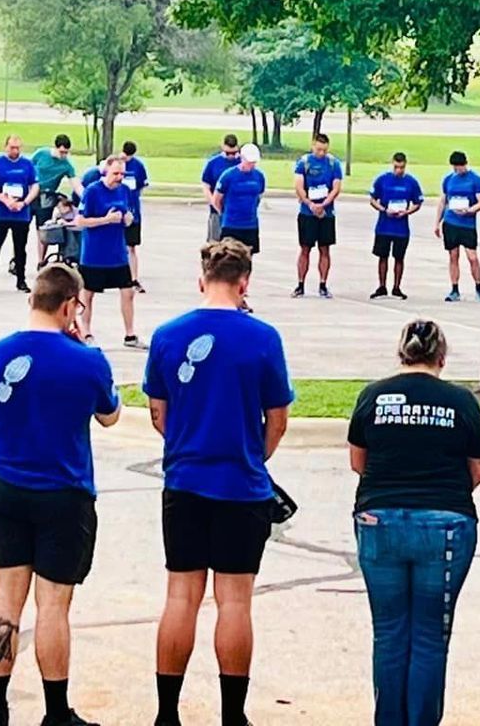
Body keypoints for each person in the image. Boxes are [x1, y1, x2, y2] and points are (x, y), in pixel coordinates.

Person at [0, 264, 122, 726]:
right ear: (71, 306)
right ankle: (56, 712)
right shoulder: (87, 360)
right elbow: (110, 416)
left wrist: (2, 471)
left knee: (4, 599)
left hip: (8, 490)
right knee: (53, 603)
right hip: (64, 492)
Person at [145, 242, 292, 726]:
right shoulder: (263, 338)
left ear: (201, 278)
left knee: (180, 596)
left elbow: (158, 413)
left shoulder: (168, 336)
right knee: (234, 600)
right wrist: (254, 452)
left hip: (185, 479)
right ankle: (232, 714)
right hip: (241, 484)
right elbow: (277, 419)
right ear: (245, 282)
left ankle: (168, 712)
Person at [348, 320, 480, 726]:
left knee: (389, 631)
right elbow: (478, 468)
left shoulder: (373, 396)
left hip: (380, 516)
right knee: (430, 634)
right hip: (445, 519)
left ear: (401, 353)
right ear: (441, 358)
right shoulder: (460, 401)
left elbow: (359, 461)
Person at [73, 155, 141, 347]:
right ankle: (85, 332)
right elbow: (80, 221)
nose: (119, 177)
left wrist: (127, 218)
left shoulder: (125, 191)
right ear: (105, 172)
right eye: (115, 173)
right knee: (88, 294)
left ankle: (130, 334)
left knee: (127, 292)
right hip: (94, 254)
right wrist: (105, 220)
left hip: (117, 253)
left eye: (122, 173)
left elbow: (129, 216)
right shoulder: (93, 191)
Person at [0, 135, 38, 295]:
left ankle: (21, 280)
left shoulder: (27, 164)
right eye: (12, 147)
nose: (15, 151)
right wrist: (3, 200)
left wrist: (24, 203)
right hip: (1, 213)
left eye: (18, 148)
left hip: (20, 214)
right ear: (5, 147)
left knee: (20, 248)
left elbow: (34, 185)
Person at [293, 133, 344, 300]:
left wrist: (324, 204)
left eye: (324, 150)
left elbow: (336, 188)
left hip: (326, 213)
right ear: (313, 146)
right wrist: (310, 204)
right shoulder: (304, 163)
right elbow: (299, 186)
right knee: (305, 249)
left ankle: (323, 283)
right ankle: (300, 284)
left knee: (325, 249)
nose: (321, 153)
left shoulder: (333, 163)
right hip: (307, 212)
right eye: (319, 149)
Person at [213, 146, 268, 300]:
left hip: (250, 224)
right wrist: (224, 214)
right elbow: (217, 199)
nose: (251, 165)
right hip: (231, 224)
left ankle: (243, 289)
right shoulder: (228, 176)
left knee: (247, 260)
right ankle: (227, 288)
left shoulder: (259, 176)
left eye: (254, 163)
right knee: (229, 259)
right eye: (249, 162)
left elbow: (259, 196)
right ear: (241, 159)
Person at [368, 154, 423, 300]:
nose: (399, 170)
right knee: (382, 256)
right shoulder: (383, 180)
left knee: (399, 257)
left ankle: (397, 287)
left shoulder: (411, 182)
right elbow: (373, 199)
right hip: (384, 226)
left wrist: (407, 212)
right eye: (396, 167)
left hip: (401, 228)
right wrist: (383, 209)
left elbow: (417, 202)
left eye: (402, 167)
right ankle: (382, 285)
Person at [435, 150, 480, 303]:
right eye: (455, 167)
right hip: (451, 221)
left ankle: (478, 287)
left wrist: (469, 210)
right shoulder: (449, 179)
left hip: (467, 223)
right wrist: (437, 222)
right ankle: (454, 288)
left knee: (472, 257)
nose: (457, 170)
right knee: (453, 255)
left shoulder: (476, 180)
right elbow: (443, 201)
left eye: (459, 167)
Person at [201, 136, 241, 244]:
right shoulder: (213, 163)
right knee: (215, 243)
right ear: (223, 147)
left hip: (236, 212)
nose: (231, 156)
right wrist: (214, 204)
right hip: (217, 211)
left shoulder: (242, 163)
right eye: (228, 153)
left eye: (234, 153)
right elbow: (206, 186)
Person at [121, 141, 150, 291]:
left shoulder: (138, 166)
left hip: (133, 212)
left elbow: (142, 185)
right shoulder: (116, 164)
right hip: (118, 210)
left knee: (131, 246)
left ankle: (133, 278)